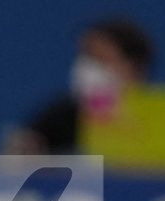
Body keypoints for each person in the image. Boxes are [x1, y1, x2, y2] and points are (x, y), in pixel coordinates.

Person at [9, 16, 155, 154]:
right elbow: (20, 150)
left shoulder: (162, 116)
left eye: (99, 59)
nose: (88, 67)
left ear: (134, 67)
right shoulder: (60, 116)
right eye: (84, 56)